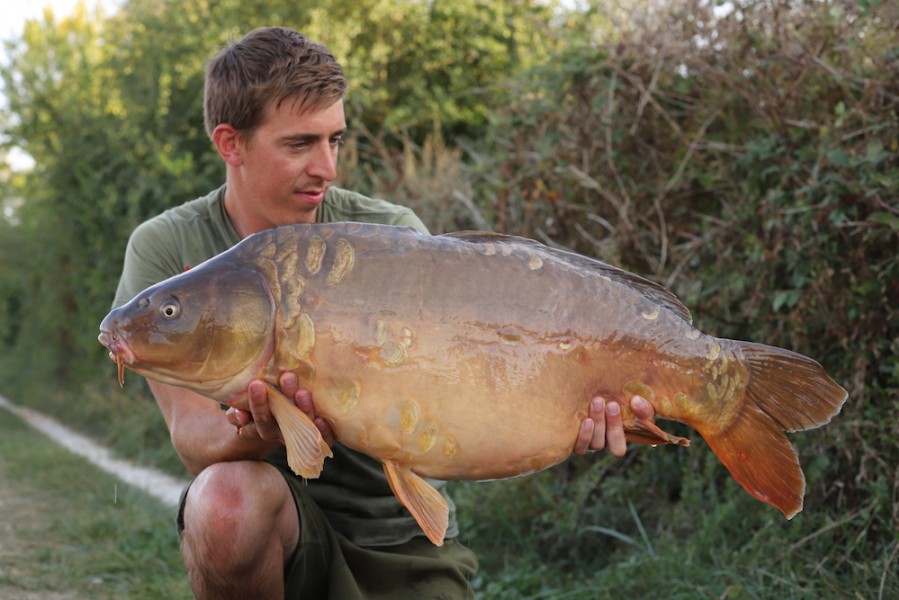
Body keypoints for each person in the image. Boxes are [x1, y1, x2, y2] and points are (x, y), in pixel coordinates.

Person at [110, 26, 656, 599]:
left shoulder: (392, 238)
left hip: (398, 528)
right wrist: (265, 429)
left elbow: (473, 389)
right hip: (275, 523)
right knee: (224, 504)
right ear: (231, 144)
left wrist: (566, 410)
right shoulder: (167, 249)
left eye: (335, 140)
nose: (328, 167)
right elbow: (195, 439)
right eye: (300, 144)